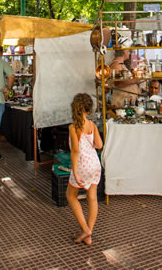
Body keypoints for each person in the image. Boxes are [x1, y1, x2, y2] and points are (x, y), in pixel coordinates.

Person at [67, 93, 103, 245]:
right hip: (95, 164)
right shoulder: (92, 125)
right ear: (89, 110)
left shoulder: (73, 127)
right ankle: (88, 235)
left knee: (71, 196)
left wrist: (74, 170)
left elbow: (75, 150)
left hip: (82, 164)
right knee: (92, 198)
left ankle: (85, 229)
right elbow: (99, 145)